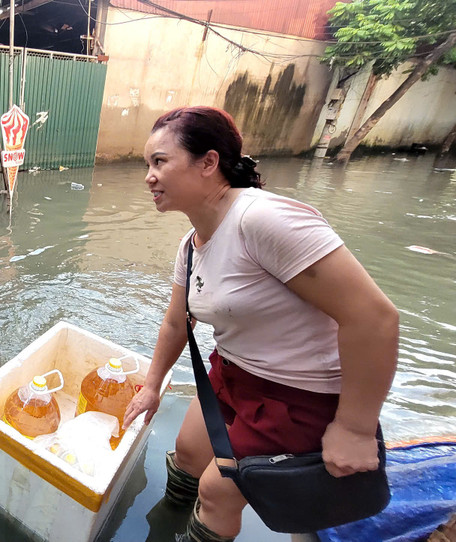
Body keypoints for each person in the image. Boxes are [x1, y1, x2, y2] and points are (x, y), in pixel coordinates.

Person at [121, 106, 398, 541]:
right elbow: (178, 323)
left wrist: (356, 429)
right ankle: (164, 525)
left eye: (160, 162)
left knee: (217, 491)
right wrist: (152, 385)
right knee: (189, 452)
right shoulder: (190, 244)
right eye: (147, 165)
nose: (148, 177)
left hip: (301, 392)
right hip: (233, 371)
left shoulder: (264, 220)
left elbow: (373, 317)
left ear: (208, 163)